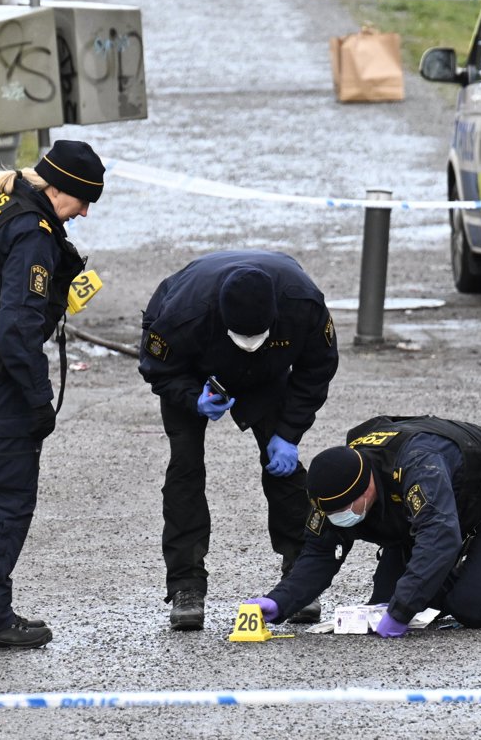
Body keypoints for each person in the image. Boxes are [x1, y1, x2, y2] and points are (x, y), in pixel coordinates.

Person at [0, 139, 104, 651]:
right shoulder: (32, 233)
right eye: (83, 200)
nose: (86, 212)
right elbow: (16, 331)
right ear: (58, 189)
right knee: (5, 498)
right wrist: (39, 401)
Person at [139, 250, 339, 630]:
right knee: (185, 468)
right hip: (194, 370)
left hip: (268, 374)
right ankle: (186, 586)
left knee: (283, 468)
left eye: (257, 336)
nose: (248, 343)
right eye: (240, 337)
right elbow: (157, 368)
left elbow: (318, 368)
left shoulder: (303, 306)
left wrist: (289, 432)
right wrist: (191, 399)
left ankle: (301, 580)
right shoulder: (183, 313)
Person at [246, 415, 481, 636]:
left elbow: (440, 537)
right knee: (385, 603)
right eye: (332, 512)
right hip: (440, 506)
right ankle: (454, 577)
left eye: (345, 510)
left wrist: (402, 611)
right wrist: (279, 601)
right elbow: (320, 553)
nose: (340, 517)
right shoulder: (335, 485)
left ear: (368, 489)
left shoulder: (418, 466)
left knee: (471, 605)